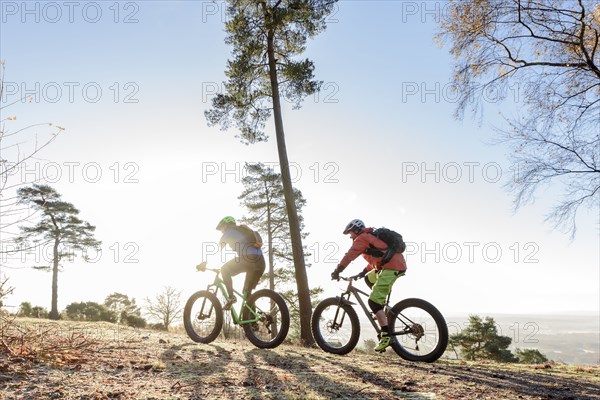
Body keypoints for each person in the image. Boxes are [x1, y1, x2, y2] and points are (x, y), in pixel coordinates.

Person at [331, 219, 407, 352]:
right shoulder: (370, 237)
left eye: (350, 233)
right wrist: (362, 273)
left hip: (391, 267)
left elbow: (349, 256)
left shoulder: (362, 238)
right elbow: (376, 258)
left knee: (373, 302)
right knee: (368, 279)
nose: (350, 236)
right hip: (390, 265)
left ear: (356, 230)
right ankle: (380, 306)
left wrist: (337, 271)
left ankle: (386, 335)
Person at [215, 216, 266, 310]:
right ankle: (252, 323)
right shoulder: (244, 230)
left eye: (221, 228)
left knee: (224, 270)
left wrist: (204, 263)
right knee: (247, 293)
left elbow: (216, 250)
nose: (221, 231)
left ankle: (231, 297)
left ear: (226, 225)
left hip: (248, 260)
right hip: (260, 262)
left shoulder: (228, 232)